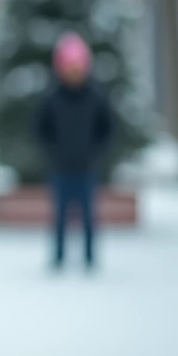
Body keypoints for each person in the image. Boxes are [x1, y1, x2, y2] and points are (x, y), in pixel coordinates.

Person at [36, 33, 113, 272]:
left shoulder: (95, 97)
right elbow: (40, 128)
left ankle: (90, 257)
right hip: (60, 168)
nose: (74, 73)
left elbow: (107, 128)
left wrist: (95, 151)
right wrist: (53, 151)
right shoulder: (52, 98)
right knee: (59, 216)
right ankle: (58, 256)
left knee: (89, 216)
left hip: (86, 167)